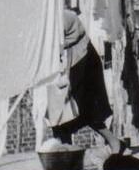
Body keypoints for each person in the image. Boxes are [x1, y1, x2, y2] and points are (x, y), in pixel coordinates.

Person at [47, 8, 127, 155]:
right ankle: (66, 151)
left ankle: (114, 142)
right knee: (59, 112)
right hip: (68, 66)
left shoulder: (64, 17)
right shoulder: (49, 23)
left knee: (85, 107)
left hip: (83, 64)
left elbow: (56, 45)